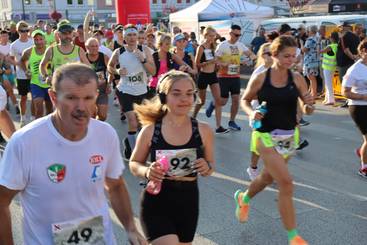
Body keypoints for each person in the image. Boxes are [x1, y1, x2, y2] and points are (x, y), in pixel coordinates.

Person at [0, 63, 147, 245]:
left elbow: (115, 186)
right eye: (71, 98)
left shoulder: (105, 134)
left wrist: (131, 228)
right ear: (53, 97)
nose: (81, 107)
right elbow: (2, 201)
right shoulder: (25, 142)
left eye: (88, 98)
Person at [237, 35, 314, 245]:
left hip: (289, 135)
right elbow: (246, 100)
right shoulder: (262, 77)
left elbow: (308, 109)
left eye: (294, 56)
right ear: (274, 55)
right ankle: (293, 236)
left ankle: (243, 198)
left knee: (266, 178)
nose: (291, 60)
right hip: (265, 135)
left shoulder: (297, 78)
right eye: (286, 56)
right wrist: (251, 113)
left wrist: (308, 104)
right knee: (286, 183)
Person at [129, 70, 214, 245]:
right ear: (163, 97)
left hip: (188, 202)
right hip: (156, 201)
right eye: (176, 94)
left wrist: (206, 166)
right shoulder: (151, 130)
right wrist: (147, 171)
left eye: (189, 94)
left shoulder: (203, 130)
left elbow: (210, 165)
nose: (184, 99)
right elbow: (134, 163)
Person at [107, 24, 156, 160]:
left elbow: (153, 71)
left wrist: (143, 59)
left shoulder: (145, 49)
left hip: (141, 91)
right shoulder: (119, 52)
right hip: (125, 90)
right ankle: (137, 155)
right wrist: (117, 71)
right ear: (124, 37)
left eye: (134, 34)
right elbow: (109, 66)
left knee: (141, 123)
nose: (132, 38)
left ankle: (129, 142)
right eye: (129, 35)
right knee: (133, 121)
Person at [206, 24, 256, 131]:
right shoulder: (223, 45)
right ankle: (213, 104)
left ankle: (232, 121)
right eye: (236, 35)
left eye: (239, 35)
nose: (238, 37)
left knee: (236, 100)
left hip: (235, 76)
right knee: (223, 101)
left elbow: (250, 54)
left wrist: (252, 59)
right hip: (223, 77)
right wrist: (223, 63)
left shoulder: (240, 45)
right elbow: (216, 59)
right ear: (230, 33)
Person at [192, 26, 228, 133]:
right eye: (211, 36)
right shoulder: (201, 47)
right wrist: (210, 62)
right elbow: (197, 64)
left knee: (218, 100)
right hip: (203, 75)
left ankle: (218, 126)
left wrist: (221, 64)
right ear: (206, 35)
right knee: (201, 102)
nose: (213, 38)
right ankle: (193, 118)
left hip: (213, 75)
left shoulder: (214, 46)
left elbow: (216, 60)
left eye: (214, 36)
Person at [245, 43, 272, 180]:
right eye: (267, 53)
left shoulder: (280, 71)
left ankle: (270, 170)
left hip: (275, 113)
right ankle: (253, 168)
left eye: (273, 52)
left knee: (272, 143)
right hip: (259, 112)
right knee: (260, 145)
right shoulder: (259, 73)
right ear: (262, 55)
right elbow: (249, 96)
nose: (270, 56)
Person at [342, 39, 367, 178]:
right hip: (359, 107)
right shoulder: (354, 70)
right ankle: (364, 167)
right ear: (363, 52)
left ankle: (363, 150)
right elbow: (345, 92)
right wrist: (364, 97)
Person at [40, 19, 90, 86]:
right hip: (58, 88)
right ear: (58, 34)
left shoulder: (79, 50)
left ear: (72, 33)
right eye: (64, 33)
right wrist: (46, 76)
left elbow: (89, 67)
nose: (67, 36)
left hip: (75, 87)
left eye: (69, 33)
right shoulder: (51, 50)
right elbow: (42, 65)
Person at [20, 30, 53, 119]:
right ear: (33, 40)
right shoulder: (28, 52)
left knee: (49, 109)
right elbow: (22, 61)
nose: (38, 42)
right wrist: (26, 71)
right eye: (36, 40)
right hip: (35, 83)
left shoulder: (51, 50)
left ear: (44, 39)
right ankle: (38, 129)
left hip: (49, 83)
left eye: (40, 39)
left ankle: (47, 127)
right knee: (39, 108)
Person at [9, 21, 34, 126]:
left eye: (27, 30)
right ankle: (23, 119)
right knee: (23, 97)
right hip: (21, 75)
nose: (25, 32)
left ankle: (33, 118)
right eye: (23, 31)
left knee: (34, 97)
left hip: (33, 75)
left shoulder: (32, 41)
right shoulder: (14, 45)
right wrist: (19, 64)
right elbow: (11, 59)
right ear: (18, 31)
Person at [86, 37, 111, 121]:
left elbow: (111, 71)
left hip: (102, 89)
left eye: (96, 46)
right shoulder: (83, 57)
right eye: (92, 46)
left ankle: (98, 125)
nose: (94, 48)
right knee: (91, 115)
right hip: (88, 90)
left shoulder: (104, 57)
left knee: (103, 116)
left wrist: (109, 85)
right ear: (87, 47)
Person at [320, 31, 338, 105]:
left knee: (328, 84)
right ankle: (327, 99)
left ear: (332, 38)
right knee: (328, 83)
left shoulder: (330, 46)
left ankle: (331, 100)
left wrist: (321, 43)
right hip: (332, 66)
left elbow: (321, 51)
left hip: (327, 67)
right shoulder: (337, 45)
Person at [302, 25, 319, 99]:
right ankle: (312, 92)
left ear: (310, 31)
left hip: (310, 61)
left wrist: (301, 43)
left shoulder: (310, 40)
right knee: (312, 77)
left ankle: (314, 94)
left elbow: (304, 50)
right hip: (315, 60)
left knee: (311, 77)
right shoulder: (317, 38)